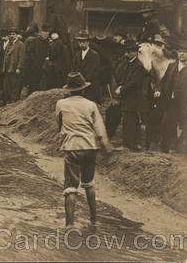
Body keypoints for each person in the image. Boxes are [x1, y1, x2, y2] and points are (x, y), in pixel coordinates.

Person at [57, 72, 114, 227]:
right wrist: (106, 146)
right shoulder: (91, 105)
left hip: (72, 147)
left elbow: (59, 125)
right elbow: (100, 130)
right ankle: (93, 220)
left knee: (70, 188)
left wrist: (63, 138)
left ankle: (69, 225)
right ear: (83, 89)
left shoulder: (61, 104)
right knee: (89, 184)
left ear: (69, 90)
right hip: (90, 147)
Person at [161, 40, 187, 155]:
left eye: (185, 52)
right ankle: (164, 151)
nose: (181, 54)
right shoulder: (172, 66)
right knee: (166, 124)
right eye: (180, 51)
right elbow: (164, 82)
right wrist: (159, 91)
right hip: (172, 102)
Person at [114, 41, 146, 151]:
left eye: (129, 52)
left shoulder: (138, 66)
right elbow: (124, 78)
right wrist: (121, 85)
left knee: (130, 121)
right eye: (127, 51)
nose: (126, 54)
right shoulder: (129, 63)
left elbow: (133, 83)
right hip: (128, 96)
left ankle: (128, 145)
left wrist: (121, 90)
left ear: (135, 53)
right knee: (131, 120)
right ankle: (135, 144)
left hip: (133, 98)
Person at [71, 30, 101, 103]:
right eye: (80, 42)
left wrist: (83, 81)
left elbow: (93, 72)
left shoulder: (94, 55)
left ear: (88, 42)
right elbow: (73, 70)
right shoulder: (77, 55)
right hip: (79, 86)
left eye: (84, 42)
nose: (81, 44)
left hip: (91, 86)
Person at [2, 28, 26, 103]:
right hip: (8, 67)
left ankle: (14, 100)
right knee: (7, 85)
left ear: (17, 35)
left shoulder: (21, 44)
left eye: (14, 34)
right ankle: (8, 99)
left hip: (15, 68)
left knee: (15, 84)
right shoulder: (9, 44)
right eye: (11, 34)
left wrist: (19, 67)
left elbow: (22, 57)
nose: (12, 36)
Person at [25, 24, 50, 93]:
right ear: (41, 33)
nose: (45, 36)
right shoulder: (35, 41)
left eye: (47, 34)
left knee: (42, 82)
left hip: (44, 65)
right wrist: (34, 60)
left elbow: (49, 52)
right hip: (34, 65)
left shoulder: (48, 42)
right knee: (33, 81)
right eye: (44, 34)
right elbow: (30, 52)